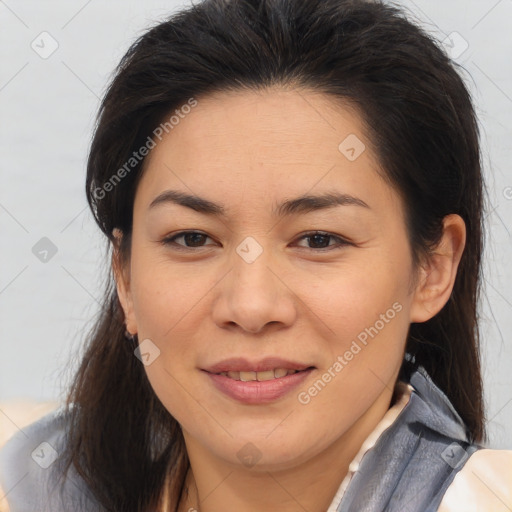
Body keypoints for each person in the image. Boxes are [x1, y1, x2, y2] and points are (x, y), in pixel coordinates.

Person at [1, 0, 511, 510]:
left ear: (433, 268)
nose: (250, 307)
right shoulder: (27, 484)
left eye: (318, 239)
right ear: (126, 278)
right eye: (193, 239)